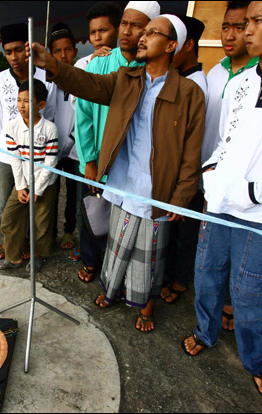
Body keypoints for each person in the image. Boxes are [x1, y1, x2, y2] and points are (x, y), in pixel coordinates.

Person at [30, 14, 205, 332]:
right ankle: (111, 291)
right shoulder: (127, 78)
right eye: (143, 31)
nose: (142, 37)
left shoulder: (189, 92)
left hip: (156, 190)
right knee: (118, 245)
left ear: (171, 45)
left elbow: (192, 151)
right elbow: (89, 85)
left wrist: (182, 195)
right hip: (122, 182)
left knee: (148, 254)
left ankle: (146, 305)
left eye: (152, 32)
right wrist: (53, 66)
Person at [182, 1, 262, 399]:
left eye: (256, 21)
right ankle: (205, 331)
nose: (246, 30)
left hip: (261, 210)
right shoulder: (240, 83)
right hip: (218, 203)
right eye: (244, 22)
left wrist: (255, 192)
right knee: (207, 272)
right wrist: (211, 176)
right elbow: (225, 140)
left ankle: (255, 360)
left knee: (250, 291)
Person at [74, 1, 159, 283]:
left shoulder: (153, 69)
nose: (127, 31)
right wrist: (89, 159)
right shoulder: (99, 63)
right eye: (124, 23)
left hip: (134, 166)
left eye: (136, 26)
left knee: (127, 223)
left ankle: (118, 277)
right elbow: (83, 114)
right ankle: (90, 262)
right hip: (98, 161)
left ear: (149, 32)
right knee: (93, 214)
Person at [198, 1, 259, 330]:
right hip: (209, 175)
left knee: (241, 253)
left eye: (240, 26)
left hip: (243, 186)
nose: (231, 35)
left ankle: (232, 303)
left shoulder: (261, 74)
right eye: (226, 27)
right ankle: (210, 307)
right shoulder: (216, 72)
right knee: (210, 249)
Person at [0, 22, 56, 260]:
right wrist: (8, 150)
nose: (14, 57)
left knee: (38, 205)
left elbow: (50, 115)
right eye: (8, 52)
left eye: (19, 50)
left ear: (28, 49)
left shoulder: (46, 77)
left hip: (38, 155)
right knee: (5, 204)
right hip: (7, 155)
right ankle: (11, 245)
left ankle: (31, 247)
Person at [159, 15, 207, 305]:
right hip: (173, 175)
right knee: (172, 231)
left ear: (187, 45)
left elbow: (192, 141)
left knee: (185, 234)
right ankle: (169, 276)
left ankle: (179, 280)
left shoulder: (196, 85)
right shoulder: (176, 79)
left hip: (190, 178)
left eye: (172, 43)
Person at [0, 80, 58, 273]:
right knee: (9, 218)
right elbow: (15, 159)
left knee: (42, 222)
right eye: (19, 100)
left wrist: (38, 190)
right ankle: (13, 257)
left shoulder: (49, 129)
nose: (21, 105)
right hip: (24, 182)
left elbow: (50, 163)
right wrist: (20, 187)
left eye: (27, 101)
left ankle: (39, 255)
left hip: (45, 183)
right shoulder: (12, 127)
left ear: (41, 104)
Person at [48, 22, 79, 251]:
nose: (63, 55)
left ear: (75, 52)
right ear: (51, 54)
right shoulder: (46, 80)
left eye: (67, 49)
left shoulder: (82, 77)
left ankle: (69, 230)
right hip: (51, 148)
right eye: (57, 51)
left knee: (74, 194)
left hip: (76, 149)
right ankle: (50, 233)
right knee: (50, 192)